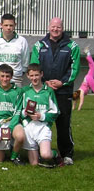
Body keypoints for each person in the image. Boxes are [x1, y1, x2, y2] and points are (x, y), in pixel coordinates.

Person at [30, 17, 80, 166]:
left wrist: (62, 82)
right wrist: (44, 82)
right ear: (48, 27)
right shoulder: (39, 45)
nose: (55, 29)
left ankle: (66, 154)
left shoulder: (72, 46)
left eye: (58, 27)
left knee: (63, 123)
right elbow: (35, 66)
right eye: (53, 26)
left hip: (63, 91)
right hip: (44, 91)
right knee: (41, 120)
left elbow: (74, 68)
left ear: (62, 28)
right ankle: (38, 151)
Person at [19, 63, 63, 167]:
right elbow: (18, 111)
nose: (34, 78)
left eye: (36, 75)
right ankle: (36, 152)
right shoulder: (25, 91)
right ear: (28, 76)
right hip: (29, 127)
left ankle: (55, 155)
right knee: (34, 164)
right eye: (32, 75)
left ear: (41, 74)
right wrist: (24, 113)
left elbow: (56, 112)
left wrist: (41, 116)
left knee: (46, 155)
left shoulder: (48, 91)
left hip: (43, 127)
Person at [0, 64, 26, 165]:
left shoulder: (18, 91)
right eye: (2, 76)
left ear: (11, 77)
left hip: (12, 122)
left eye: (7, 76)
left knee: (20, 136)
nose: (5, 79)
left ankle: (14, 157)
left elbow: (18, 111)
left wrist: (10, 128)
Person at [0, 13, 29, 88]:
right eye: (6, 25)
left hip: (15, 80)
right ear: (1, 25)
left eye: (11, 25)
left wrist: (16, 75)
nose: (8, 28)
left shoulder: (22, 41)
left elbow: (25, 62)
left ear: (15, 25)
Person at [72, 46, 93, 111]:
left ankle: (88, 53)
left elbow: (81, 102)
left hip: (88, 79)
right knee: (92, 66)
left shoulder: (80, 92)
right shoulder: (79, 92)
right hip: (87, 78)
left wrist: (78, 109)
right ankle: (88, 53)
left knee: (92, 65)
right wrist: (73, 108)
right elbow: (76, 101)